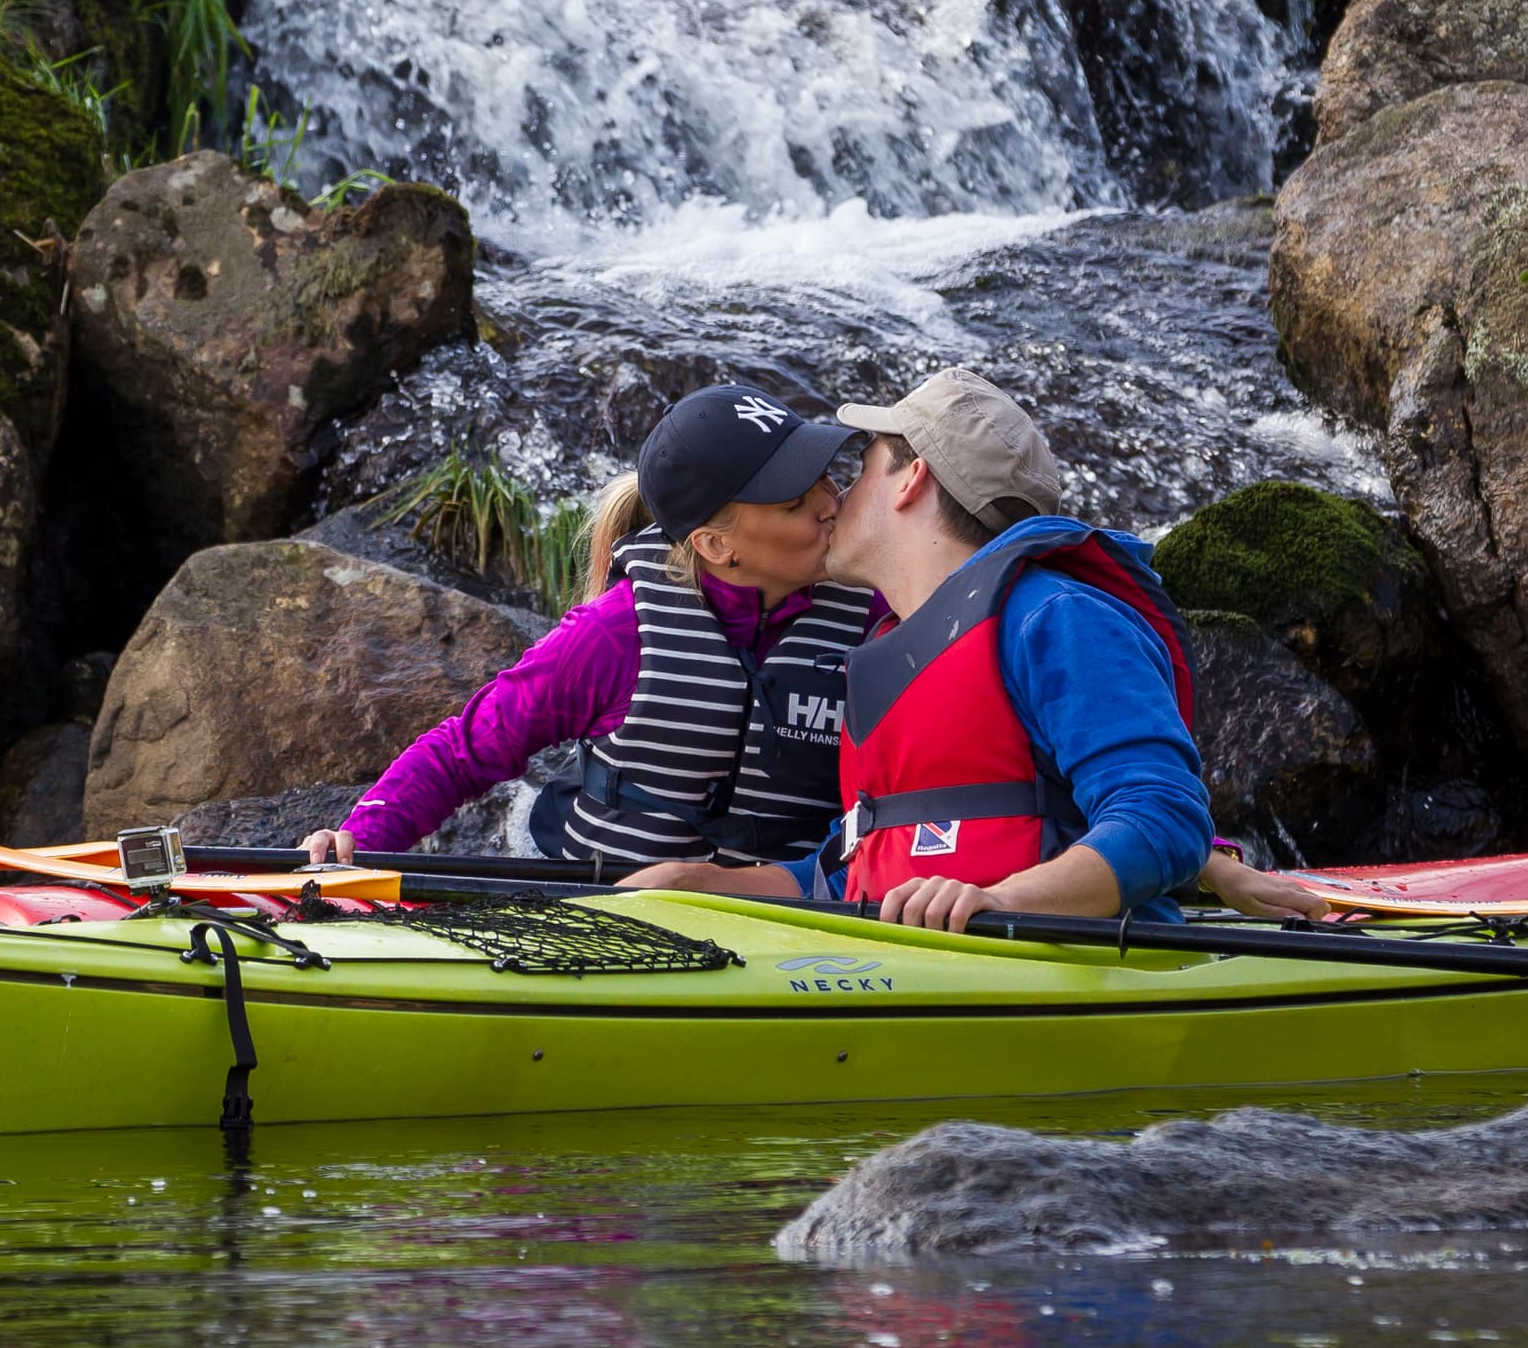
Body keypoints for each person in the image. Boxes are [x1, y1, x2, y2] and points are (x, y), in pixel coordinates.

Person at [631, 367, 1332, 933]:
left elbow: (1165, 817)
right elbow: (858, 873)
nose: (835, 494)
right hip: (923, 981)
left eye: (864, 466)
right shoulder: (886, 650)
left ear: (913, 478)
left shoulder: (1060, 618)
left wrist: (1005, 902)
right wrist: (705, 886)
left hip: (1060, 989)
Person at [298, 383, 883, 870]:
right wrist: (360, 841)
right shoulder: (615, 633)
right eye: (793, 502)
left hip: (792, 917)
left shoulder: (877, 616)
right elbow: (465, 749)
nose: (832, 503)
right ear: (714, 544)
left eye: (826, 478)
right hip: (609, 909)